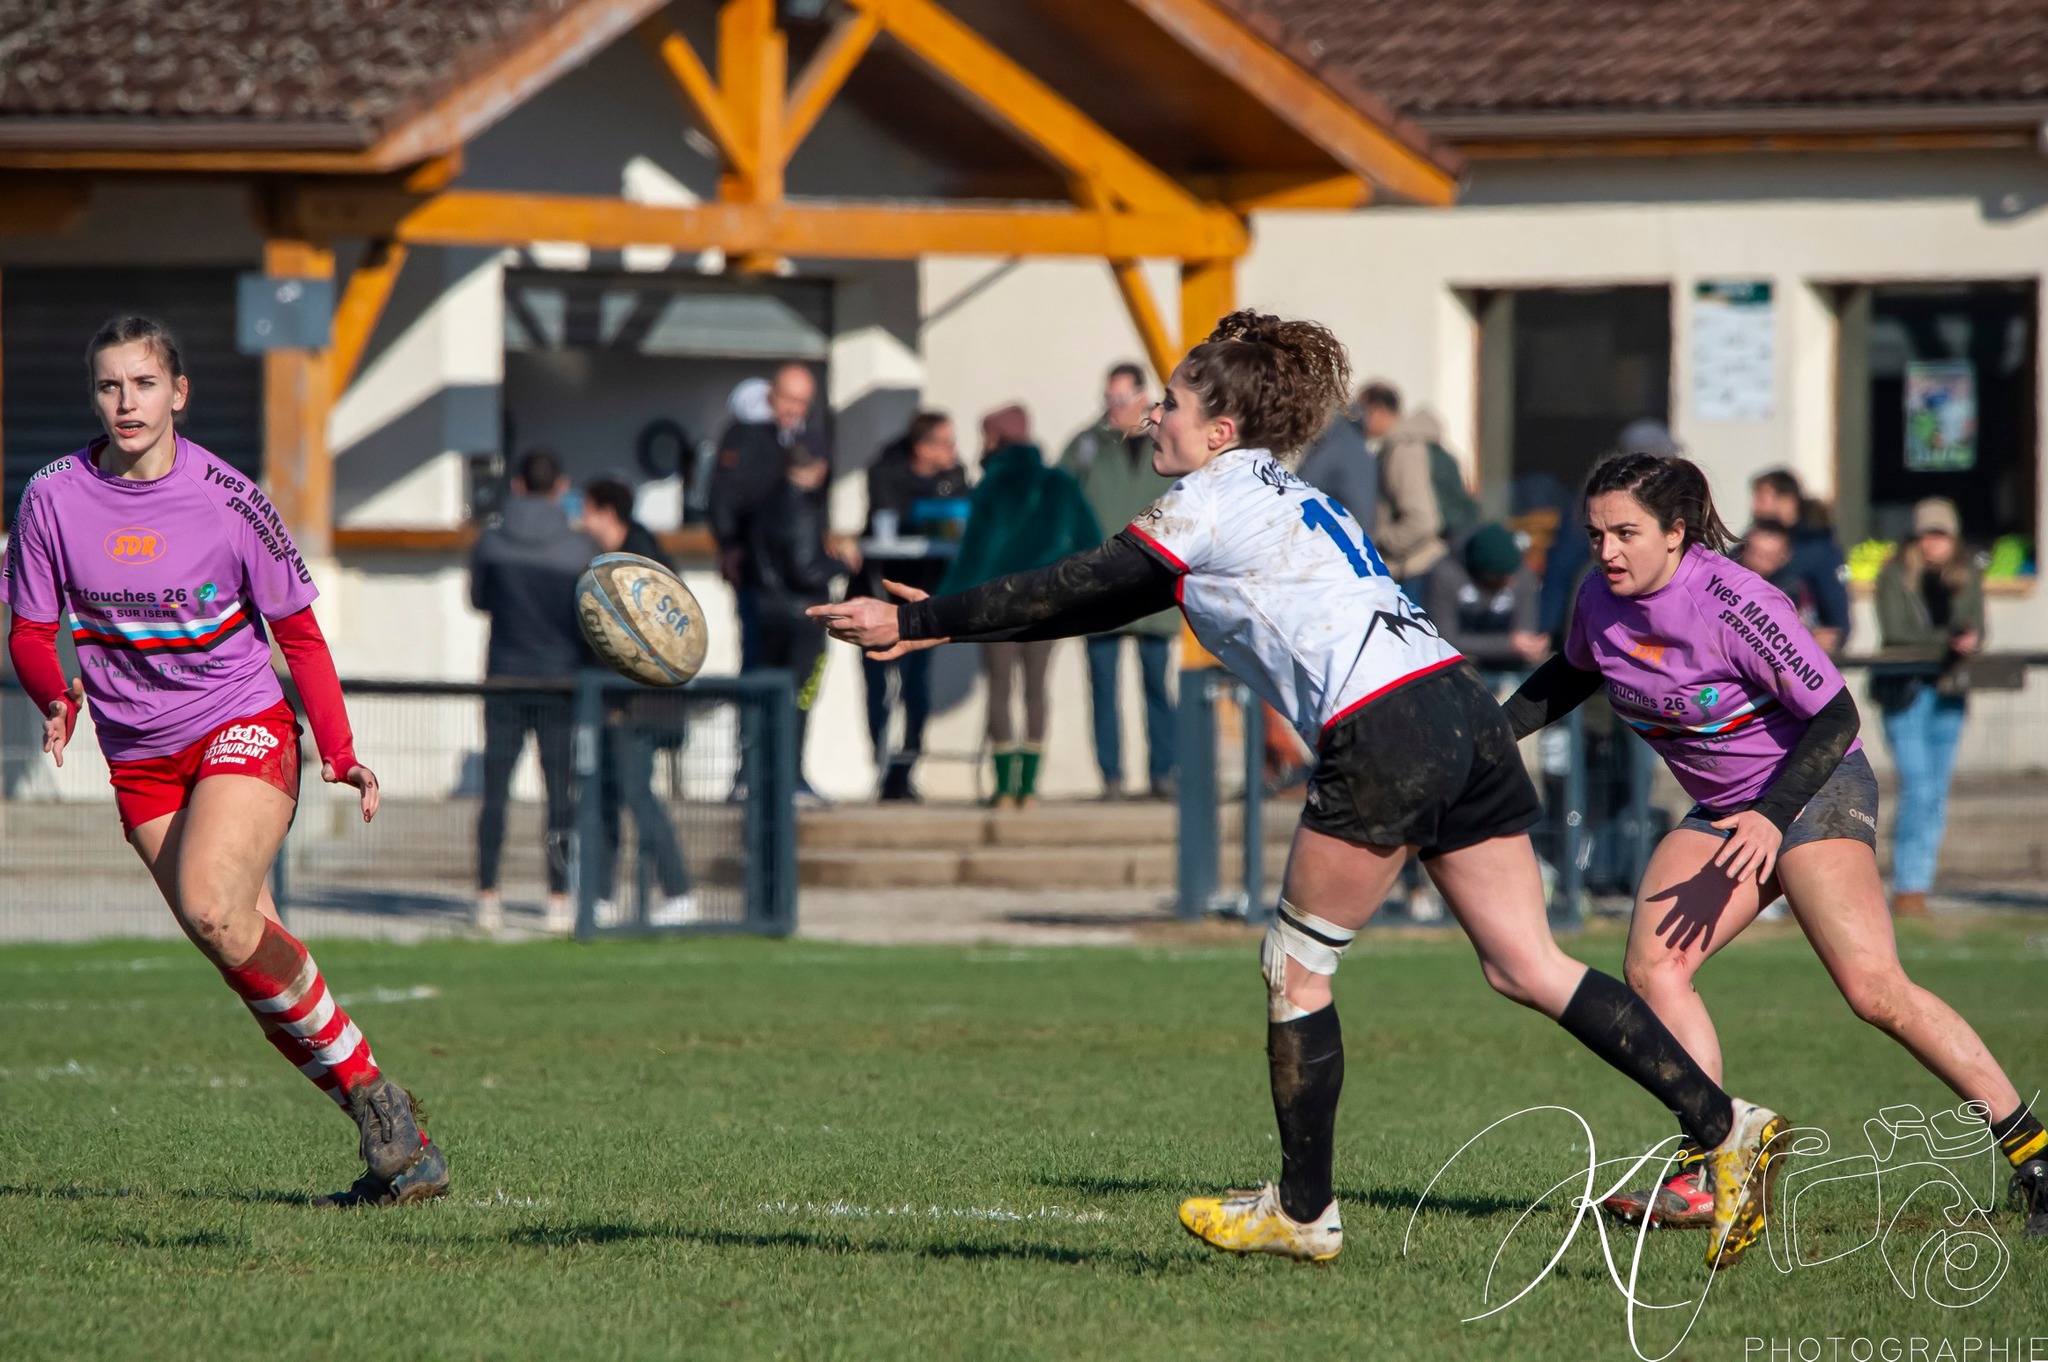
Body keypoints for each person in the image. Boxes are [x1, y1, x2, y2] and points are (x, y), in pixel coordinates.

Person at [814, 311, 1788, 1270]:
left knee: (1295, 968)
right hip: (1458, 708)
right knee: (1527, 965)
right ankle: (1724, 1123)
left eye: (1170, 403)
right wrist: (947, 625)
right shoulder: (1275, 492)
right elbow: (1111, 596)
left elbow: (1086, 579)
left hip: (1385, 726)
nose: (1152, 416)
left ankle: (1304, 1210)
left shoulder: (1207, 497)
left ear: (1220, 430)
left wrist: (919, 620)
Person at [1502, 453, 2047, 1240]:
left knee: (1873, 989)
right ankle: (1713, 1159)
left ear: (1677, 532)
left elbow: (1836, 716)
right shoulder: (1599, 598)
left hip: (1813, 790)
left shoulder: (1734, 601)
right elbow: (1571, 674)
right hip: (1730, 807)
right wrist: (1487, 739)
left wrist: (1771, 814)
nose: (1607, 550)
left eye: (1626, 533)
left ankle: (2035, 1156)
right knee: (1655, 967)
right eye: (1596, 534)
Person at [2, 315, 447, 1206]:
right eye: (108, 386)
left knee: (212, 906)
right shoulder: (52, 495)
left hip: (240, 722)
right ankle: (406, 1150)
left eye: (143, 384)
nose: (126, 403)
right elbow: (29, 630)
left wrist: (339, 750)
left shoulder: (231, 498)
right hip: (140, 758)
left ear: (179, 393)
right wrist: (54, 694)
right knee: (245, 956)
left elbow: (301, 637)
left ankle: (377, 1101)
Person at [942, 404, 1098, 808]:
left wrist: (943, 605)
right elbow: (1090, 540)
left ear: (997, 439)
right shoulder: (1060, 483)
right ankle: (1028, 789)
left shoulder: (992, 485)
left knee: (999, 688)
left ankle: (1004, 789)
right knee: (1036, 690)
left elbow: (974, 554)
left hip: (998, 602)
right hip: (1048, 600)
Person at [470, 447, 595, 935]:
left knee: (495, 792)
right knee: (560, 793)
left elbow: (478, 599)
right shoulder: (580, 550)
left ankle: (487, 895)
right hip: (560, 682)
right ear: (561, 488)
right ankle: (558, 897)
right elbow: (589, 618)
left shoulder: (491, 542)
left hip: (504, 676)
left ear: (518, 484)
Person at [1059, 363, 1179, 800]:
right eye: (1108, 398)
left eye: (1122, 399)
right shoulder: (1085, 445)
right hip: (1099, 585)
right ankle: (1111, 777)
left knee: (1157, 684)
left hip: (1153, 581)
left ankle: (1164, 773)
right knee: (1103, 687)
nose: (1114, 407)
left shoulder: (1167, 439)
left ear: (1142, 397)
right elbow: (1060, 503)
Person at [581, 479, 696, 925]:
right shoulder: (626, 558)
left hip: (641, 704)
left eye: (587, 511)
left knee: (635, 793)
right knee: (610, 795)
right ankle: (602, 896)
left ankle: (678, 891)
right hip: (622, 702)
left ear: (607, 513)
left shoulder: (635, 566)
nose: (582, 521)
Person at [1872, 497, 1984, 920]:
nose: (1934, 542)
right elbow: (1898, 634)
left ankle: (1918, 886)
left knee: (1935, 793)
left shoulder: (1967, 573)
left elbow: (1978, 626)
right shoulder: (1893, 575)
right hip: (1906, 691)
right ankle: (1906, 885)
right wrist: (1949, 642)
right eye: (1927, 534)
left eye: (1941, 534)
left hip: (1949, 691)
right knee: (1917, 787)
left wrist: (1969, 640)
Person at [862, 411, 971, 802]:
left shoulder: (954, 475)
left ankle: (905, 767)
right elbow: (891, 520)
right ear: (923, 448)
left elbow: (962, 517)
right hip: (881, 593)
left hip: (925, 595)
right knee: (878, 684)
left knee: (916, 685)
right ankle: (882, 764)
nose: (953, 451)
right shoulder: (885, 471)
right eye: (945, 442)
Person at [709, 365, 826, 671]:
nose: (793, 409)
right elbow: (723, 495)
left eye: (801, 402)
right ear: (771, 394)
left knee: (796, 671)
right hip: (755, 567)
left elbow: (813, 496)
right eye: (788, 399)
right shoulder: (746, 435)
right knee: (759, 665)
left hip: (794, 573)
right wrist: (729, 546)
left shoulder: (803, 437)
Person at [749, 444, 840, 805]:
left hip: (768, 615)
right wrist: (842, 563)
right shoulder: (802, 507)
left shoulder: (765, 502)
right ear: (819, 467)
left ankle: (760, 777)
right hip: (803, 618)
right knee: (801, 698)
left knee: (767, 700)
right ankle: (792, 778)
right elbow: (807, 570)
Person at [1363, 381, 1458, 596]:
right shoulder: (1416, 442)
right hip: (1426, 563)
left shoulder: (1403, 449)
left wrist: (1379, 540)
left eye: (1360, 411)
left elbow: (1422, 521)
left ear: (1378, 410)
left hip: (1415, 568)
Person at [1421, 523, 1549, 674]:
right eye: (1502, 579)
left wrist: (1529, 645)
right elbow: (1445, 637)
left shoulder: (1519, 572)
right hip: (1461, 661)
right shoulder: (1446, 574)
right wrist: (1508, 644)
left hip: (1510, 664)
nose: (1511, 583)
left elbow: (1525, 630)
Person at [1750, 468, 1850, 654]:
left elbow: (1838, 621)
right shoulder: (1749, 543)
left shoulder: (1819, 551)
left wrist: (1807, 641)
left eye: (1761, 498)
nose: (1755, 507)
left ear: (1787, 501)